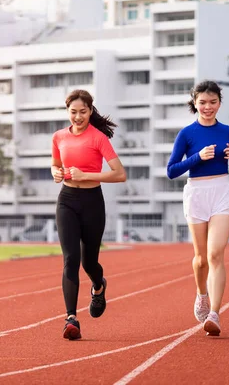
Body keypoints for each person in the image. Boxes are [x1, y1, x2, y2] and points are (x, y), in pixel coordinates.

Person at [167, 80, 229, 336]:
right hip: (197, 193)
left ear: (220, 103)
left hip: (222, 191)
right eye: (202, 102)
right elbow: (171, 171)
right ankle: (201, 293)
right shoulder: (187, 134)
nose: (208, 107)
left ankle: (214, 312)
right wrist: (197, 157)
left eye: (213, 102)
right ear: (195, 103)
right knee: (201, 259)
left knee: (215, 255)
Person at [51, 89, 127, 340]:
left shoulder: (98, 138)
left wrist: (87, 175)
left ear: (90, 111)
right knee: (70, 258)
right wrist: (56, 172)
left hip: (92, 202)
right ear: (67, 112)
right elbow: (56, 164)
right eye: (73, 112)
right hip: (67, 200)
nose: (78, 116)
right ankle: (71, 318)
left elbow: (119, 174)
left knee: (89, 263)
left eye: (83, 111)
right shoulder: (59, 137)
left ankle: (99, 285)